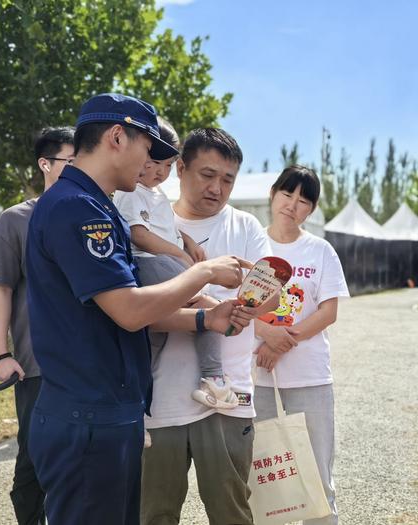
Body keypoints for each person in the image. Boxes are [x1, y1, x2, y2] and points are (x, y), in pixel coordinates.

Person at [25, 94, 255, 525]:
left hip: (105, 411)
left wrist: (205, 318)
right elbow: (129, 311)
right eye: (148, 150)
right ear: (116, 136)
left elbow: (120, 311)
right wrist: (201, 273)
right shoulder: (78, 209)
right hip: (88, 415)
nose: (154, 167)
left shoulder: (98, 206)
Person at [141, 128, 274, 525]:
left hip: (227, 399)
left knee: (231, 510)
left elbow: (272, 295)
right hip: (158, 403)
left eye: (228, 179)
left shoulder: (246, 226)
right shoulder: (152, 221)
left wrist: (247, 304)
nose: (217, 188)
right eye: (207, 174)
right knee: (153, 513)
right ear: (180, 168)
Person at [113, 118, 237, 414]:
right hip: (152, 264)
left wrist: (187, 241)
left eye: (167, 165)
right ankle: (213, 378)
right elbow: (139, 235)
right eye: (154, 162)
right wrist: (182, 257)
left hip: (162, 262)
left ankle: (135, 407)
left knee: (152, 342)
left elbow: (162, 225)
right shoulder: (129, 192)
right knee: (207, 306)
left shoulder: (155, 194)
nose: (160, 172)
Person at [0, 126, 74, 525]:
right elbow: (0, 290)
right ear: (45, 164)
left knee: (83, 465)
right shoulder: (15, 220)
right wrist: (2, 354)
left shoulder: (94, 217)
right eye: (70, 163)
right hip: (36, 366)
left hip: (88, 367)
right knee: (34, 464)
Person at [254, 165, 350, 525]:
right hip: (259, 379)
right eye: (287, 194)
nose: (292, 205)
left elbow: (328, 312)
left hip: (310, 378)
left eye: (303, 200)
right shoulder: (253, 243)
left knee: (316, 475)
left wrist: (279, 344)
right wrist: (265, 334)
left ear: (311, 210)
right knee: (265, 478)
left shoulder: (320, 250)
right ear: (273, 193)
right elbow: (237, 306)